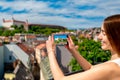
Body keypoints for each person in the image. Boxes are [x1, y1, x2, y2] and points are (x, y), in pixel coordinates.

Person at [46, 14, 120, 80]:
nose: (99, 37)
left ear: (116, 36)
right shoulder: (115, 63)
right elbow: (91, 68)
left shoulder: (112, 67)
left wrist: (50, 51)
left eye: (104, 33)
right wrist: (73, 50)